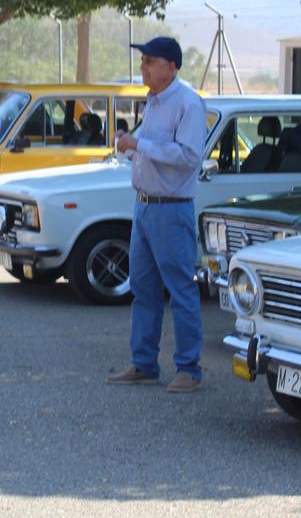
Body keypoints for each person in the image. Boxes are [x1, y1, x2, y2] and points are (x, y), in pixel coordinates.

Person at [107, 36, 208, 393]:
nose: (143, 67)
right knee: (143, 289)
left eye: (150, 61)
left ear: (171, 66)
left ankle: (189, 369)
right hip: (146, 207)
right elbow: (152, 151)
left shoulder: (188, 104)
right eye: (143, 61)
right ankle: (144, 363)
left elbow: (188, 156)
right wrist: (130, 144)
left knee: (180, 289)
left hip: (172, 209)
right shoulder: (152, 102)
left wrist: (139, 145)